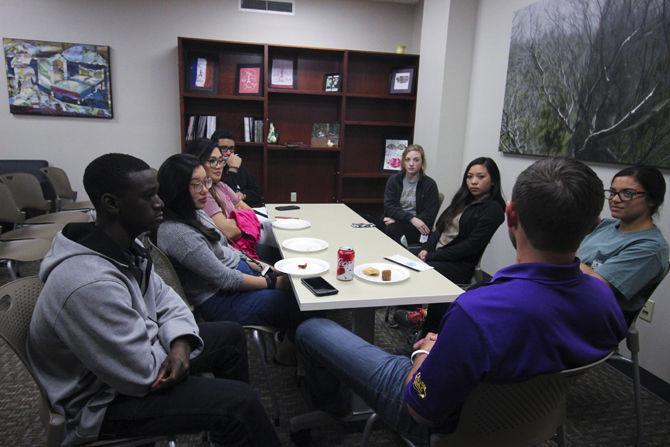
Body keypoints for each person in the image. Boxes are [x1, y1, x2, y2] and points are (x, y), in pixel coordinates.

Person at [295, 157, 627, 444]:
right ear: (594, 226)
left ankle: (336, 405)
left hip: (442, 423)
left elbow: (419, 407)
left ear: (510, 216)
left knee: (314, 327)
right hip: (529, 424)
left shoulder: (476, 312)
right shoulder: (605, 301)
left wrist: (424, 352)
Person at [27, 153, 279, 446]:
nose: (160, 203)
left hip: (139, 358)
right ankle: (233, 425)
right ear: (111, 203)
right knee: (240, 403)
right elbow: (142, 373)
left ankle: (229, 436)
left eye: (157, 193)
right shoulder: (86, 283)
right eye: (148, 196)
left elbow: (167, 299)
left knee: (230, 336)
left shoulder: (124, 246)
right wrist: (174, 348)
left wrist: (181, 341)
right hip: (102, 403)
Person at [156, 153, 303, 341]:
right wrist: (273, 282)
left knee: (302, 288)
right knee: (301, 302)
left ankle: (292, 347)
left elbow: (227, 248)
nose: (205, 191)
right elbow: (224, 279)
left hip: (238, 282)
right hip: (222, 300)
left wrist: (264, 267)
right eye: (196, 185)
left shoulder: (193, 212)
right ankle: (289, 352)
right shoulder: (178, 234)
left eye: (205, 182)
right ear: (176, 189)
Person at [395, 157, 505, 333]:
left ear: (493, 180)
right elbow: (439, 229)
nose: (474, 181)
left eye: (481, 176)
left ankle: (419, 321)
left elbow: (471, 246)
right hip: (438, 256)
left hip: (460, 265)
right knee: (404, 263)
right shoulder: (463, 200)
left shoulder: (493, 209)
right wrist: (425, 249)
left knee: (420, 271)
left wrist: (431, 256)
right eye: (469, 177)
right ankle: (418, 315)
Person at [578, 165, 669, 323]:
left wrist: (561, 257)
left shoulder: (651, 248)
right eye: (612, 192)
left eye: (628, 193)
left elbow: (596, 288)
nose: (615, 199)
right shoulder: (605, 225)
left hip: (596, 319)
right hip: (572, 298)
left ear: (652, 200)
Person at [187, 138, 273, 258]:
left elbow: (250, 212)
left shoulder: (221, 185)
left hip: (246, 242)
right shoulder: (203, 193)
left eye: (221, 161)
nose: (218, 166)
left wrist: (236, 219)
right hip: (233, 252)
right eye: (212, 161)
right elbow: (229, 232)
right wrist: (242, 219)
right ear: (198, 164)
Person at [383, 144, 440, 245]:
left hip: (418, 228)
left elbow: (429, 216)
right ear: (403, 162)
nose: (411, 163)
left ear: (422, 162)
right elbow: (389, 207)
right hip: (400, 221)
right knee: (367, 221)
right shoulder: (394, 180)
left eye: (416, 160)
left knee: (390, 230)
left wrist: (400, 221)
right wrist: (410, 218)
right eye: (407, 159)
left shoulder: (430, 184)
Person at [211, 129, 264, 207]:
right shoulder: (213, 168)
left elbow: (258, 193)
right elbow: (224, 196)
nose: (229, 153)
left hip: (245, 210)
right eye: (224, 148)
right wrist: (233, 169)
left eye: (231, 148)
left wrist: (244, 195)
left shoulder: (238, 165)